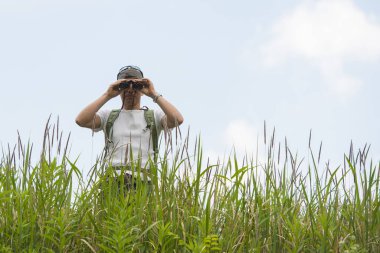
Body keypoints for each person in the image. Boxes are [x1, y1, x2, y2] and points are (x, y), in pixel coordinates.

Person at [75, 65, 184, 189]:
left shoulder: (154, 116)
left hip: (144, 182)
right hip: (113, 181)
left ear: (142, 90)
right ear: (119, 88)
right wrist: (107, 95)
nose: (130, 90)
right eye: (125, 85)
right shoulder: (109, 116)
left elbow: (177, 119)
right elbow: (81, 120)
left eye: (136, 86)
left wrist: (154, 94)